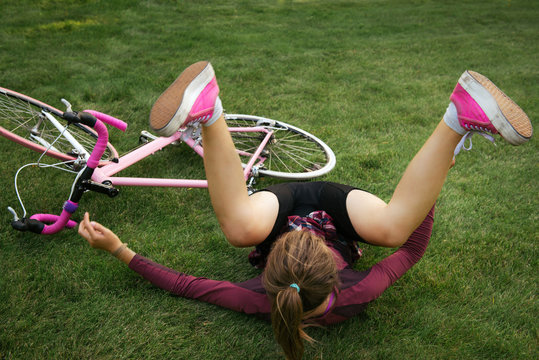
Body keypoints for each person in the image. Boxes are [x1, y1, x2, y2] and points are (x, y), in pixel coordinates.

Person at [78, 61, 532, 360]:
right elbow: (410, 250)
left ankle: (210, 109)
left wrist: (121, 249)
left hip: (287, 205)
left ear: (272, 276)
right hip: (338, 213)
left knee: (243, 228)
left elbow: (188, 285)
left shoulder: (265, 298)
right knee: (390, 229)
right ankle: (458, 116)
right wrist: (433, 182)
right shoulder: (352, 293)